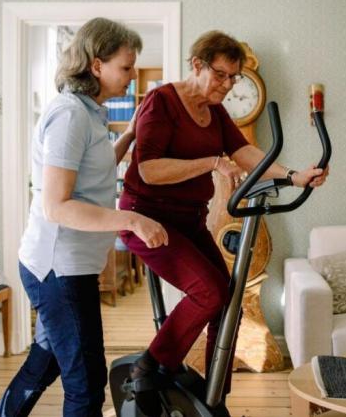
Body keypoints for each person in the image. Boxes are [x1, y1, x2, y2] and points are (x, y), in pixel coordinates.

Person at [119, 30, 329, 414]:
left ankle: (216, 395)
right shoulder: (161, 102)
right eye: (221, 75)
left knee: (227, 303)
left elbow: (246, 153)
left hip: (189, 219)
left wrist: (294, 176)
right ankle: (147, 366)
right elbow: (148, 170)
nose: (228, 85)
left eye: (233, 77)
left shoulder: (215, 112)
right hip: (146, 218)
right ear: (196, 64)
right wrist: (211, 163)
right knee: (210, 292)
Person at [0, 18, 168, 417]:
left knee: (47, 361)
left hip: (70, 266)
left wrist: (133, 132)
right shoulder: (70, 116)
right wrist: (133, 220)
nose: (131, 75)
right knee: (86, 385)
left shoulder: (92, 114)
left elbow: (100, 163)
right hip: (58, 269)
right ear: (96, 65)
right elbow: (57, 206)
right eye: (125, 67)